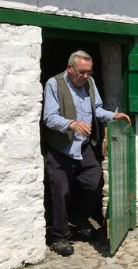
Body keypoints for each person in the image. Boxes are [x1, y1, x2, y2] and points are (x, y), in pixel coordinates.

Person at [41, 50, 131, 256]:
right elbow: (49, 117)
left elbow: (96, 109)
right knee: (60, 191)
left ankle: (79, 217)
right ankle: (60, 236)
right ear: (70, 68)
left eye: (89, 72)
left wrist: (113, 115)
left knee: (94, 181)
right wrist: (71, 124)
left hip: (82, 145)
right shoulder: (54, 84)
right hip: (60, 147)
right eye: (82, 72)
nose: (86, 76)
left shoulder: (89, 83)